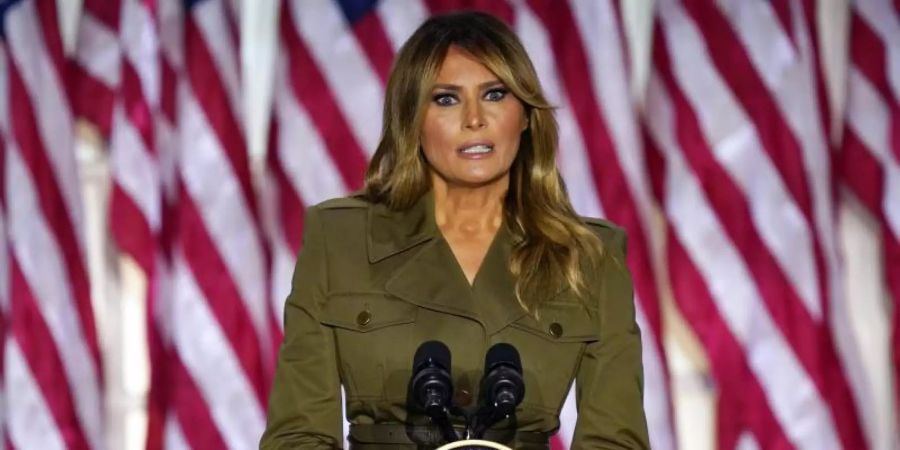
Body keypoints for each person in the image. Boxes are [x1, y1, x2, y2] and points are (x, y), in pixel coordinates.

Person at [260, 11, 649, 450]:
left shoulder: (591, 255)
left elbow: (615, 442)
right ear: (412, 118)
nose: (474, 119)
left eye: (495, 94)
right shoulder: (340, 240)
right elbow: (297, 436)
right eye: (446, 99)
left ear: (524, 116)